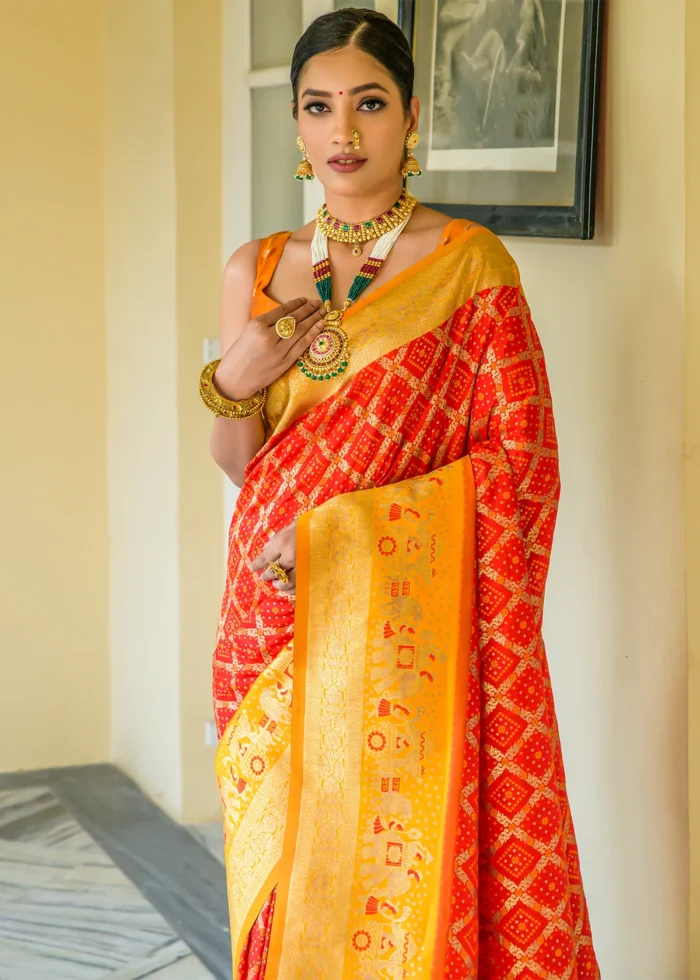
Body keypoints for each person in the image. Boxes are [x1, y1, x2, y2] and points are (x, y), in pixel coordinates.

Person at [200, 8, 599, 979]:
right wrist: (236, 380)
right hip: (269, 618)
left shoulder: (469, 268)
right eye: (319, 107)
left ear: (411, 117)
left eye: (368, 104)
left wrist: (350, 538)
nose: (344, 132)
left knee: (394, 867)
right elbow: (236, 461)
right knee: (284, 874)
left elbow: (522, 464)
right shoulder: (255, 270)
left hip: (402, 627)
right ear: (296, 126)